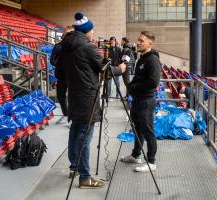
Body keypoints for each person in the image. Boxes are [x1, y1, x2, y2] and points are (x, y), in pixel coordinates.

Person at [56, 12, 126, 188]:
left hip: (74, 95)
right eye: (92, 30)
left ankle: (75, 168)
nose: (93, 33)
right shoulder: (87, 47)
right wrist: (122, 68)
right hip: (87, 97)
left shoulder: (64, 46)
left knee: (76, 131)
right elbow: (106, 70)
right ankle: (85, 177)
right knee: (85, 137)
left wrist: (76, 79)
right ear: (87, 31)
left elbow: (59, 73)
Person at [120, 31, 161, 172]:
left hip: (146, 101)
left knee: (148, 131)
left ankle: (151, 162)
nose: (138, 42)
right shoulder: (142, 58)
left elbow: (153, 82)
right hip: (138, 100)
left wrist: (134, 87)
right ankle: (136, 155)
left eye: (141, 40)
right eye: (138, 40)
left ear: (150, 43)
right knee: (137, 129)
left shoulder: (152, 60)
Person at [50, 25, 73, 124]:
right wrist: (60, 65)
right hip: (61, 76)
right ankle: (66, 114)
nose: (66, 35)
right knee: (60, 96)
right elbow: (52, 60)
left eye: (69, 33)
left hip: (73, 76)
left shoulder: (75, 47)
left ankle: (73, 117)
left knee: (73, 97)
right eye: (65, 33)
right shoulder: (58, 46)